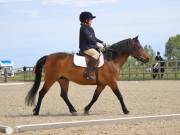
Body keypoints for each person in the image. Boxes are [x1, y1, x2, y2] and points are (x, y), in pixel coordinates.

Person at [79, 11, 105, 80]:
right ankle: (88, 73)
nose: (92, 21)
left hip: (90, 46)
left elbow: (94, 38)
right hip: (85, 48)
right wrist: (96, 44)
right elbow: (89, 38)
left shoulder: (89, 28)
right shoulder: (83, 28)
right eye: (91, 20)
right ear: (86, 20)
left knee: (99, 52)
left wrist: (101, 42)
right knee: (96, 54)